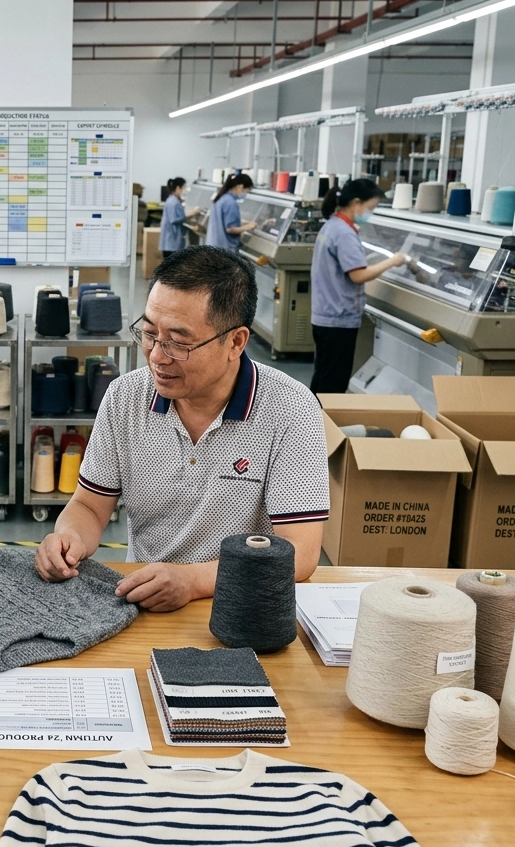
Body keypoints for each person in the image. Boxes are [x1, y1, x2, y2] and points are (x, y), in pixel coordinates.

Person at [35, 245, 330, 612]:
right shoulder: (125, 398)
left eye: (178, 342)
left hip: (242, 605)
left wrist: (193, 581)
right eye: (149, 333)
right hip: (144, 599)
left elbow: (299, 553)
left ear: (235, 342)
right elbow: (90, 507)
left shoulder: (290, 408)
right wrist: (67, 539)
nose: (157, 355)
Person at [310, 178, 405, 394]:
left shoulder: (332, 225)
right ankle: (325, 425)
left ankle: (312, 423)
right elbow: (358, 275)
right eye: (370, 207)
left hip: (325, 313)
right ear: (356, 203)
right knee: (333, 382)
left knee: (323, 374)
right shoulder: (344, 233)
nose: (370, 212)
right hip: (338, 318)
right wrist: (393, 261)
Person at [205, 172, 256, 253]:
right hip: (224, 249)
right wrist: (247, 227)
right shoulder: (231, 203)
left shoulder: (222, 197)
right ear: (240, 186)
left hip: (214, 245)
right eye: (246, 190)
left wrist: (244, 223)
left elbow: (223, 220)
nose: (245, 193)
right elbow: (230, 229)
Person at [157, 177, 201, 258]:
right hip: (171, 242)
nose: (185, 190)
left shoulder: (175, 201)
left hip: (173, 242)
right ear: (178, 188)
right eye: (184, 187)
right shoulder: (173, 202)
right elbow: (174, 219)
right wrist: (191, 213)